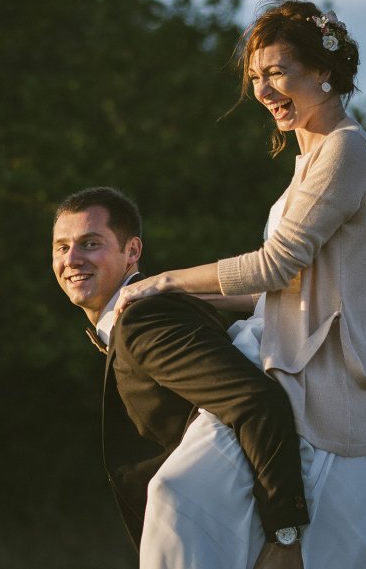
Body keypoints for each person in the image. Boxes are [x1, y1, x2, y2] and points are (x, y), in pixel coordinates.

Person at [114, 0, 366, 568]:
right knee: (175, 497)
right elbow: (273, 291)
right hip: (273, 363)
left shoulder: (346, 149)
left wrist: (165, 279)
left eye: (277, 73)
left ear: (323, 69)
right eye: (255, 78)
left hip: (324, 381)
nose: (263, 91)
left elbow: (274, 266)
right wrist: (164, 293)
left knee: (308, 554)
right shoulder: (310, 161)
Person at [51, 186, 309, 568]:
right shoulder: (143, 317)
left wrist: (284, 536)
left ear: (132, 251)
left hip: (226, 535)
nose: (72, 259)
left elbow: (256, 401)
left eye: (90, 243)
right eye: (61, 247)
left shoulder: (143, 320)